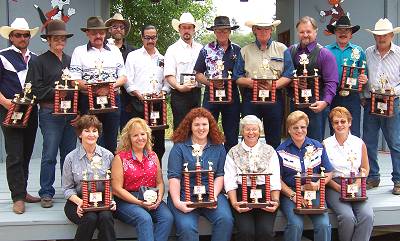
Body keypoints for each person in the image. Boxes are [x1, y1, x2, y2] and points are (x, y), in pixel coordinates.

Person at [28, 19, 77, 208]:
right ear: (48, 40)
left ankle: (68, 189)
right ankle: (46, 192)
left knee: (69, 155)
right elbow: (34, 90)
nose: (59, 41)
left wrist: (78, 112)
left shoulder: (70, 60)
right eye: (55, 38)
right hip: (49, 113)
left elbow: (78, 88)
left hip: (70, 114)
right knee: (49, 154)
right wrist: (57, 92)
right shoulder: (38, 61)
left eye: (62, 38)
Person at [167, 107, 233, 241]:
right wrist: (177, 202)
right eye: (196, 124)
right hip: (184, 193)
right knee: (187, 228)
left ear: (210, 126)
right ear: (190, 126)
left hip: (211, 192)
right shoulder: (179, 147)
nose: (201, 128)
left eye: (204, 124)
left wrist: (213, 197)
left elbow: (220, 174)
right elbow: (174, 177)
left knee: (226, 220)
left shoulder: (218, 146)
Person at [233, 16, 294, 148]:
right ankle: (248, 165)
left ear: (271, 30)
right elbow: (237, 77)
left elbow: (289, 74)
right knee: (249, 133)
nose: (263, 31)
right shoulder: (245, 50)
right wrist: (251, 83)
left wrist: (273, 86)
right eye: (259, 28)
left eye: (266, 28)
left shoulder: (282, 49)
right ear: (254, 30)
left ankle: (274, 165)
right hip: (251, 97)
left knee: (274, 135)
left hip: (275, 96)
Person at [70, 16, 127, 154]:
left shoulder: (115, 51)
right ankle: (90, 174)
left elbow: (123, 77)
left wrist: (109, 88)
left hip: (113, 99)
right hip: (88, 101)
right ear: (87, 33)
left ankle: (109, 174)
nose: (98, 36)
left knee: (111, 140)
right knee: (91, 140)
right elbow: (74, 80)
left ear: (105, 33)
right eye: (94, 33)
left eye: (101, 32)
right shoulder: (79, 51)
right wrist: (94, 90)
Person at [0, 18, 40, 214]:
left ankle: (22, 191)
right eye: (18, 35)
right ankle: (17, 197)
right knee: (14, 153)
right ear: (11, 37)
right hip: (10, 110)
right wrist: (6, 102)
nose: (22, 38)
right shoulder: (2, 56)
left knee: (26, 152)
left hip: (31, 111)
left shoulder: (36, 57)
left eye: (25, 35)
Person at [112, 118, 173, 241]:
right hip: (127, 200)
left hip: (151, 197)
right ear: (128, 138)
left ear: (147, 135)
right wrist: (139, 202)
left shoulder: (153, 155)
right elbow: (116, 189)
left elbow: (160, 182)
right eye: (135, 135)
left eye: (142, 134)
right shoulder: (120, 158)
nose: (140, 138)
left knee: (167, 218)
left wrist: (159, 199)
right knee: (144, 219)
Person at [277, 110, 333, 241]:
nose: (299, 130)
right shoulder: (280, 150)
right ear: (289, 130)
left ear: (307, 128)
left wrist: (319, 184)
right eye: (295, 127)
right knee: (296, 225)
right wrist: (293, 195)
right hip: (290, 194)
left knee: (324, 225)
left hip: (315, 192)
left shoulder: (317, 147)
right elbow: (277, 179)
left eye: (302, 127)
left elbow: (329, 172)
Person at [224, 115, 281, 241]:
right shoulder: (233, 152)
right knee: (246, 232)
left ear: (259, 131)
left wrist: (275, 201)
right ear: (242, 131)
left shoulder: (270, 150)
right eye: (247, 129)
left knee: (265, 232)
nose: (251, 133)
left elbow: (275, 179)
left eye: (254, 129)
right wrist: (234, 203)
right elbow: (229, 181)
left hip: (265, 194)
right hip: (241, 194)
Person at [62, 115, 116, 241]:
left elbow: (113, 184)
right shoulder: (70, 158)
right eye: (86, 130)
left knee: (106, 217)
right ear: (80, 134)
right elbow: (67, 188)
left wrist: (111, 199)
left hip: (103, 199)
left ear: (98, 134)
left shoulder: (108, 156)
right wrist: (81, 203)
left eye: (94, 131)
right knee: (90, 217)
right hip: (78, 200)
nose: (91, 134)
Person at [323, 107, 374, 241]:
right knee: (347, 217)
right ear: (332, 125)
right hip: (334, 185)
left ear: (349, 123)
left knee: (367, 215)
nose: (340, 125)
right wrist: (338, 188)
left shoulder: (359, 143)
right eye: (336, 122)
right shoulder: (326, 145)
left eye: (343, 121)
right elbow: (324, 173)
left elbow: (365, 168)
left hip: (355, 184)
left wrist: (357, 184)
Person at [362, 18, 400, 194]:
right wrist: (363, 92)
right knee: (369, 141)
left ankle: (398, 180)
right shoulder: (367, 52)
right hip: (371, 101)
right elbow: (362, 76)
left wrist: (394, 90)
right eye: (378, 35)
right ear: (374, 37)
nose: (381, 38)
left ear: (392, 35)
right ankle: (373, 177)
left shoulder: (399, 53)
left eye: (385, 34)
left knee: (395, 142)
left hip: (394, 101)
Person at [194, 16, 241, 152]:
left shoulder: (237, 50)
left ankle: (230, 168)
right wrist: (211, 83)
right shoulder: (206, 49)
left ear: (230, 31)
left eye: (225, 30)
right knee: (207, 130)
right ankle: (210, 165)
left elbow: (241, 73)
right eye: (219, 31)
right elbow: (198, 74)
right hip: (211, 94)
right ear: (214, 32)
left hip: (232, 95)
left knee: (231, 133)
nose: (222, 33)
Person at [288, 16, 338, 142]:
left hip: (316, 106)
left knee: (314, 143)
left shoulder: (325, 54)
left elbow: (331, 82)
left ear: (315, 32)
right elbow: (285, 77)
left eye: (308, 31)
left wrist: (325, 102)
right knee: (294, 141)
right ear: (298, 33)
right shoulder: (290, 51)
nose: (305, 35)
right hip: (296, 105)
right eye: (301, 32)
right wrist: (293, 84)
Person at [124, 24, 169, 161]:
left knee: (159, 144)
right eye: (147, 37)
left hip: (157, 106)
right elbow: (127, 81)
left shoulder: (163, 58)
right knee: (138, 141)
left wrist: (163, 92)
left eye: (153, 37)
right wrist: (138, 94)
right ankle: (137, 177)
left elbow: (167, 81)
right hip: (139, 104)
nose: (150, 41)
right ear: (141, 37)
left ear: (157, 37)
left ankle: (157, 177)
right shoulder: (133, 56)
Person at [325, 16, 368, 137]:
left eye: (346, 30)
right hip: (332, 95)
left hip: (352, 96)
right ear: (334, 32)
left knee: (353, 130)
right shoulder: (326, 51)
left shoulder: (359, 51)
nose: (343, 33)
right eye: (339, 30)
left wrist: (364, 79)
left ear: (351, 34)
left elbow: (364, 73)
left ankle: (353, 156)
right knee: (334, 128)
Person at [164, 12, 203, 129]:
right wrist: (179, 87)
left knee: (196, 127)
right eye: (184, 27)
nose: (187, 30)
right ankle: (180, 148)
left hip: (196, 93)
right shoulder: (172, 50)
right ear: (179, 29)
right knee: (181, 128)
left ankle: (195, 148)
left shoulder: (201, 49)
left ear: (194, 29)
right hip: (179, 94)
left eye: (189, 27)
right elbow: (169, 74)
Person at [105, 12, 135, 129]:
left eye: (121, 27)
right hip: (107, 98)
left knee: (127, 135)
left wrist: (132, 102)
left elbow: (134, 77)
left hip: (128, 101)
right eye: (115, 27)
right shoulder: (103, 49)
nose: (118, 29)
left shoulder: (133, 52)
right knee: (108, 135)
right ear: (109, 30)